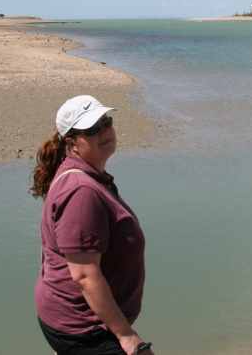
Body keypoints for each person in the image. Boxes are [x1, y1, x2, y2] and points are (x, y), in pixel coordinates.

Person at [32, 95, 153, 355]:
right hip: (85, 329)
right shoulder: (81, 191)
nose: (104, 131)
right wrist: (127, 336)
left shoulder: (89, 176)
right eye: (92, 129)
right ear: (71, 142)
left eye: (105, 122)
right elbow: (85, 276)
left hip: (79, 320)